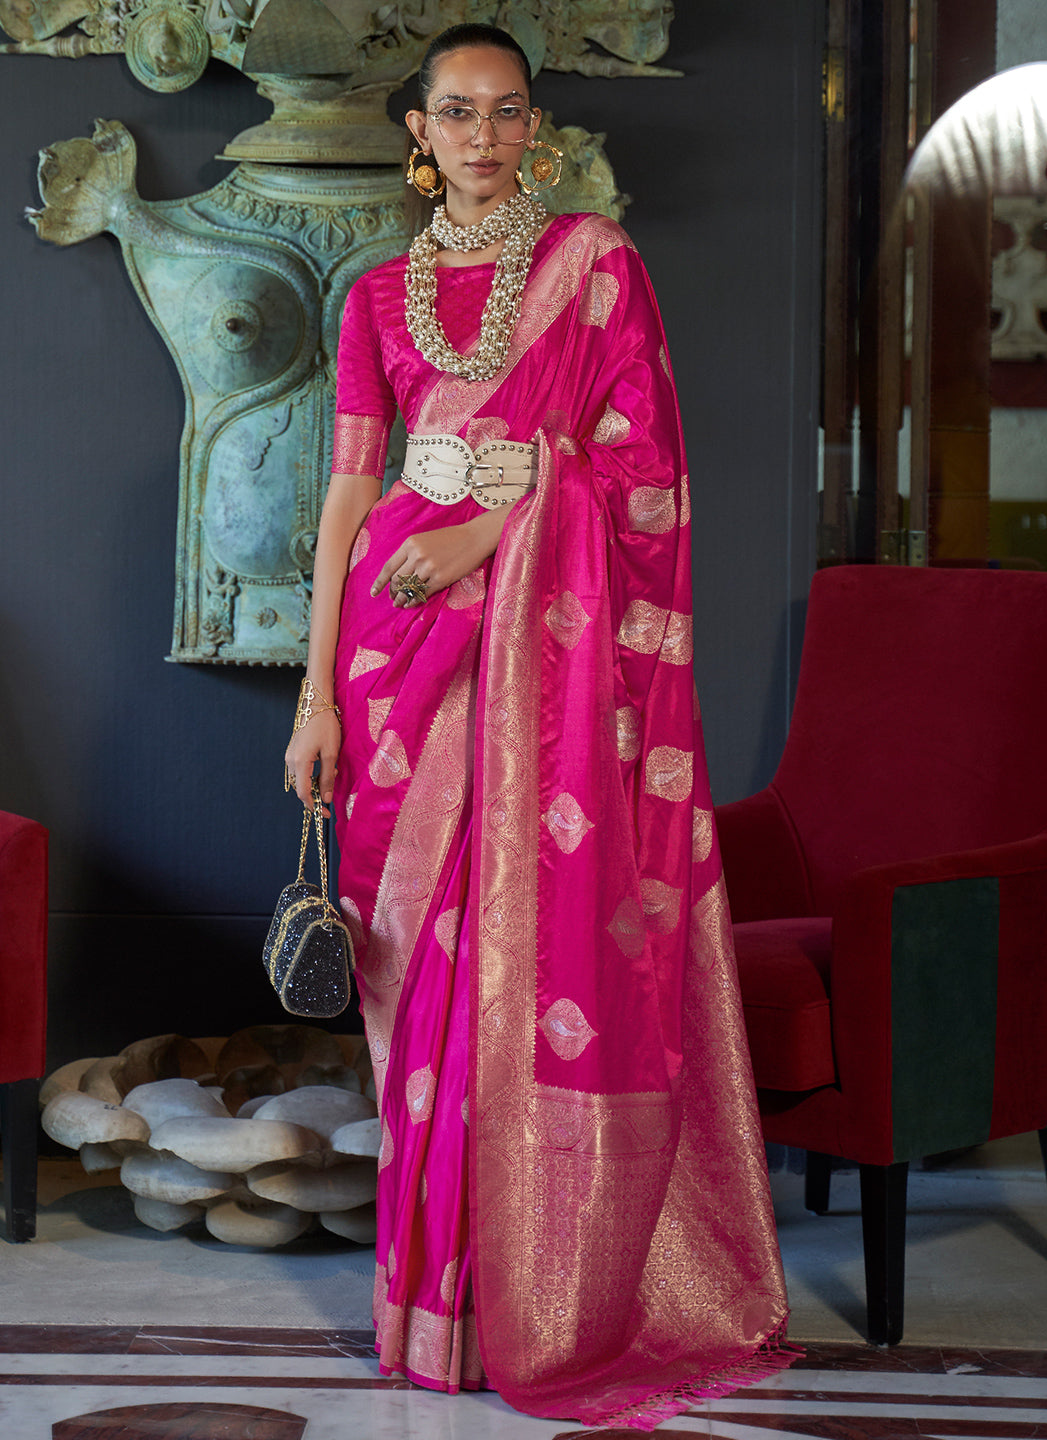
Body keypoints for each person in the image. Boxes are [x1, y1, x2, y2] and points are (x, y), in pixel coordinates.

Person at [283, 22, 794, 1429]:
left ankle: (542, 1295)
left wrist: (500, 526)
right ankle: (437, 1314)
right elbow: (342, 498)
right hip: (396, 656)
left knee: (524, 951)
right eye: (459, 112)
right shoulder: (376, 293)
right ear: (419, 127)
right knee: (421, 980)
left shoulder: (597, 270)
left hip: (538, 647)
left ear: (536, 129)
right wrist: (316, 693)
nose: (485, 135)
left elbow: (642, 466)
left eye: (509, 113)